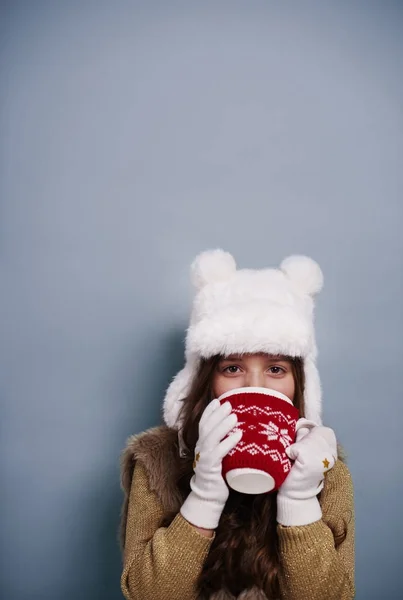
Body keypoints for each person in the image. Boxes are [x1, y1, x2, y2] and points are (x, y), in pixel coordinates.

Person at [120, 250, 355, 600]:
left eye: (276, 369)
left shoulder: (325, 467)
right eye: (232, 368)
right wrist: (204, 495)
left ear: (300, 384)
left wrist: (300, 500)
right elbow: (146, 593)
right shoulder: (156, 462)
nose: (253, 386)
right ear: (205, 380)